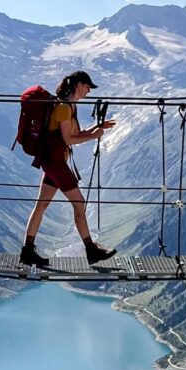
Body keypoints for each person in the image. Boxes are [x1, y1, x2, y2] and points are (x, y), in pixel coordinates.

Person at [20, 71, 118, 266]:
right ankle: (91, 250)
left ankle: (27, 251)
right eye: (87, 86)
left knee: (42, 204)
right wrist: (94, 136)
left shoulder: (68, 106)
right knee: (79, 203)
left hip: (53, 161)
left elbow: (75, 134)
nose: (89, 90)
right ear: (78, 85)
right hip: (56, 163)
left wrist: (98, 127)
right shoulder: (64, 108)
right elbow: (69, 139)